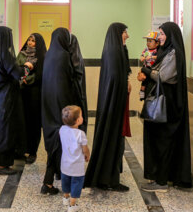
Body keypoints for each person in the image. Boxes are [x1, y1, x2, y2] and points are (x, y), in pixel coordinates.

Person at [137, 22, 192, 192]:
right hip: (163, 104)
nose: (159, 36)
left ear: (170, 35)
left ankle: (161, 181)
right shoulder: (166, 51)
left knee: (163, 142)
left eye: (161, 33)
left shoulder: (174, 53)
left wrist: (146, 71)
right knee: (157, 141)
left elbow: (163, 76)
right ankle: (159, 177)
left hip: (168, 106)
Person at [84, 22, 131, 192]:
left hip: (114, 102)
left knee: (115, 139)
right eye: (125, 32)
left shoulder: (117, 50)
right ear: (118, 33)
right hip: (113, 104)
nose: (127, 35)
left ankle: (110, 177)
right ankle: (108, 179)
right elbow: (116, 79)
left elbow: (123, 73)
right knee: (112, 138)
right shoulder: (113, 52)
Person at [41, 28, 88, 195]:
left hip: (48, 107)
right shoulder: (63, 57)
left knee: (53, 143)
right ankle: (56, 182)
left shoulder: (48, 56)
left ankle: (49, 181)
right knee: (62, 143)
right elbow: (71, 83)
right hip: (62, 107)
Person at [0, 26, 29, 175]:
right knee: (5, 131)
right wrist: (26, 67)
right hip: (5, 99)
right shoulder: (4, 53)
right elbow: (16, 73)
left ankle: (0, 162)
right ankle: (1, 165)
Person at [16, 33, 47, 164]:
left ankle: (32, 151)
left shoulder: (42, 56)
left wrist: (30, 79)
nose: (30, 43)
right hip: (22, 91)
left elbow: (42, 74)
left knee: (34, 122)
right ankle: (21, 149)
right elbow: (16, 69)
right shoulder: (21, 54)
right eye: (29, 40)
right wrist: (23, 79)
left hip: (35, 93)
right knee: (22, 120)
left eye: (33, 41)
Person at [60, 105, 90, 212]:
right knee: (76, 182)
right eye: (81, 116)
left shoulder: (62, 129)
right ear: (78, 120)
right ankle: (72, 205)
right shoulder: (80, 134)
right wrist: (88, 155)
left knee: (65, 180)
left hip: (65, 163)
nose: (82, 117)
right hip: (77, 165)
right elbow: (84, 149)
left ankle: (66, 197)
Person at [139, 31, 159, 100]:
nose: (148, 43)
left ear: (157, 43)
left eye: (150, 41)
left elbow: (158, 57)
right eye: (147, 41)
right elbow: (142, 55)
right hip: (146, 67)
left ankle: (144, 92)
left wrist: (151, 57)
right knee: (144, 82)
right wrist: (142, 58)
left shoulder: (157, 50)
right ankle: (142, 93)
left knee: (147, 80)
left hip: (152, 69)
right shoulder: (146, 50)